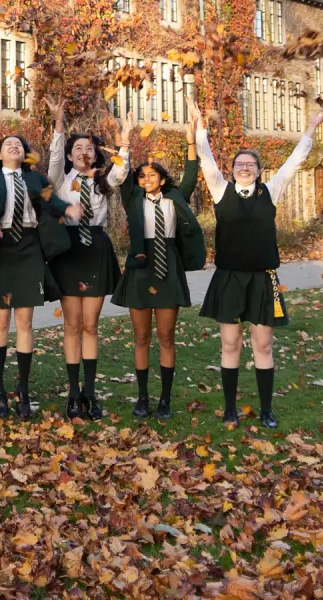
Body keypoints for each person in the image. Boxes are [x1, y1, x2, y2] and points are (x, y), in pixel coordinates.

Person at [194, 96, 323, 428]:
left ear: (258, 170)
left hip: (262, 279)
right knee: (230, 344)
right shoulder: (219, 190)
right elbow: (205, 157)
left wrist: (311, 128)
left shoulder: (271, 191)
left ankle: (267, 409)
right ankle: (230, 409)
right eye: (239, 164)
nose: (244, 168)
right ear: (232, 170)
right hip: (228, 278)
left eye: (250, 165)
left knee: (263, 344)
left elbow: (296, 161)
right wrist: (199, 124)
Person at [0, 134, 83, 419]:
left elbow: (51, 203)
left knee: (25, 322)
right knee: (1, 321)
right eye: (7, 144)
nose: (14, 147)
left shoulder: (36, 179)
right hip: (1, 249)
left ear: (24, 153)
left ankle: (23, 390)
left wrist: (68, 209)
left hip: (28, 248)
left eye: (19, 145)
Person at [109, 111, 205, 421]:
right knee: (140, 338)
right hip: (141, 265)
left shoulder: (177, 197)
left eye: (152, 175)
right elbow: (119, 173)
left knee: (166, 337)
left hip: (168, 266)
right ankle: (142, 398)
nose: (146, 179)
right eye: (142, 176)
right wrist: (125, 141)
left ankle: (164, 399)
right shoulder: (132, 198)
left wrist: (190, 140)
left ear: (162, 179)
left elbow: (191, 172)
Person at [44, 98, 125, 420]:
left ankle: (90, 395)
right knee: (72, 325)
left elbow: (121, 171)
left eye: (89, 148)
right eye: (77, 148)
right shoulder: (61, 180)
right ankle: (73, 393)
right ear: (69, 154)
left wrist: (125, 141)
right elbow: (52, 160)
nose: (83, 152)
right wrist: (59, 126)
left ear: (96, 153)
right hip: (69, 249)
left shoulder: (104, 182)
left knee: (90, 325)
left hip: (96, 249)